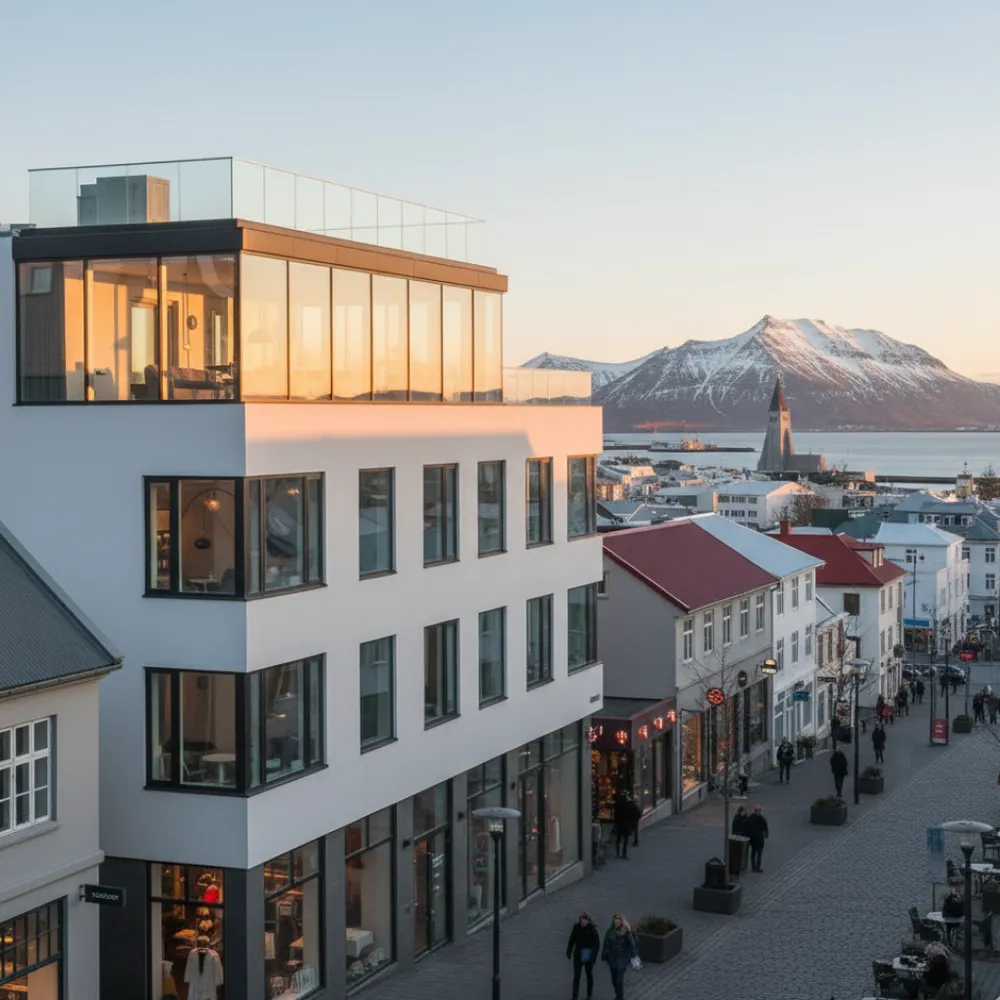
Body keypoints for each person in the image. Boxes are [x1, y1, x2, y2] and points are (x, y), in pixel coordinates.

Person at [601, 913, 637, 1000]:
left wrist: (633, 956)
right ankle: (617, 994)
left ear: (621, 922)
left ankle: (619, 998)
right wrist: (604, 954)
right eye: (615, 922)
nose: (616, 923)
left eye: (618, 921)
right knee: (614, 979)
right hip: (612, 958)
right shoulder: (610, 931)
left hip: (623, 958)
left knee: (619, 980)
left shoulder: (626, 932)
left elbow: (632, 944)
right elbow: (606, 943)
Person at [566, 912, 601, 1000]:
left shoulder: (592, 929)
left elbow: (597, 944)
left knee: (589, 975)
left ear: (587, 921)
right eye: (581, 922)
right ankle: (574, 997)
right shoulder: (576, 927)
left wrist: (593, 956)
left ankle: (589, 995)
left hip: (588, 956)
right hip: (578, 955)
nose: (582, 924)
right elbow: (572, 939)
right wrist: (569, 951)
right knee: (576, 977)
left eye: (584, 922)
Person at [744, 805, 769, 873]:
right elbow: (765, 828)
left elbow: (746, 826)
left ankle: (754, 867)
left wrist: (747, 835)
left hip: (752, 839)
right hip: (759, 839)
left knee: (753, 852)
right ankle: (757, 867)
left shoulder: (751, 817)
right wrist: (766, 835)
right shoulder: (761, 819)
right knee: (759, 853)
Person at [613, 794, 633, 859]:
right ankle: (624, 853)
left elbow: (615, 816)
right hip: (626, 825)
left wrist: (615, 824)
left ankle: (618, 852)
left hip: (619, 825)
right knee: (625, 840)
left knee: (618, 839)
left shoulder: (618, 806)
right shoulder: (629, 806)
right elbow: (633, 814)